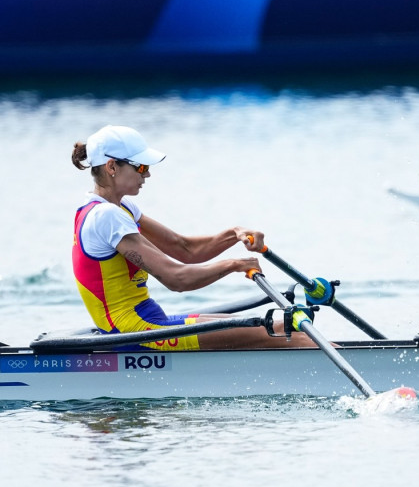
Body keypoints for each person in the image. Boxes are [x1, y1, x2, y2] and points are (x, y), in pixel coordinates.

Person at [71, 125, 314, 350]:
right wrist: (235, 265)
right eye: (142, 167)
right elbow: (177, 279)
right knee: (278, 331)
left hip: (150, 322)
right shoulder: (106, 216)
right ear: (112, 167)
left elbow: (184, 249)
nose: (148, 175)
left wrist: (235, 234)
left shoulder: (119, 209)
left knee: (282, 326)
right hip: (134, 334)